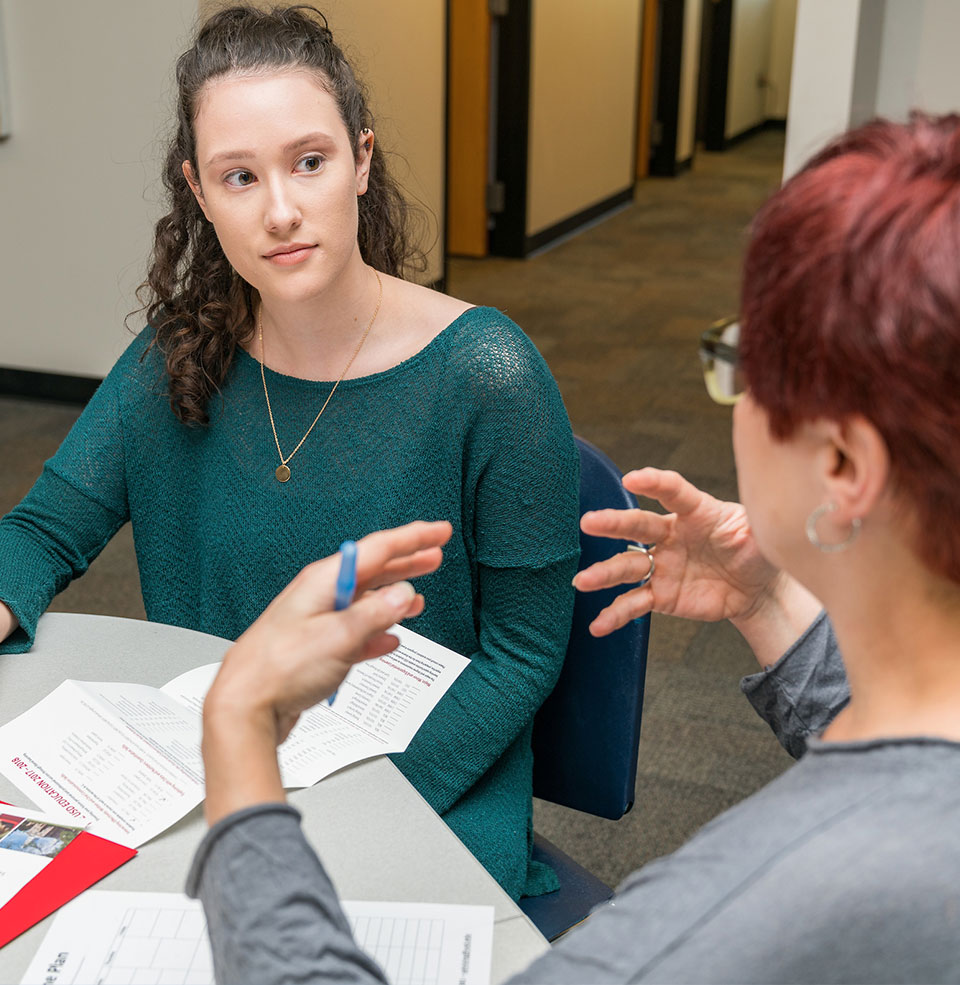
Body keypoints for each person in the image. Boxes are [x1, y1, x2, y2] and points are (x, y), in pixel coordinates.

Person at [188, 113, 960, 983]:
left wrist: (242, 729)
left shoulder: (756, 900)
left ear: (843, 464)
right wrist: (771, 600)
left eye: (747, 363)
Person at [0, 5, 580, 901]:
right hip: (213, 771)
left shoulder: (488, 375)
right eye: (239, 177)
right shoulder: (177, 357)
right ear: (198, 191)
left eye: (309, 162)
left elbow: (525, 651)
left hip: (422, 787)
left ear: (362, 159)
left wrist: (363, 808)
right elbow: (42, 531)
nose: (280, 210)